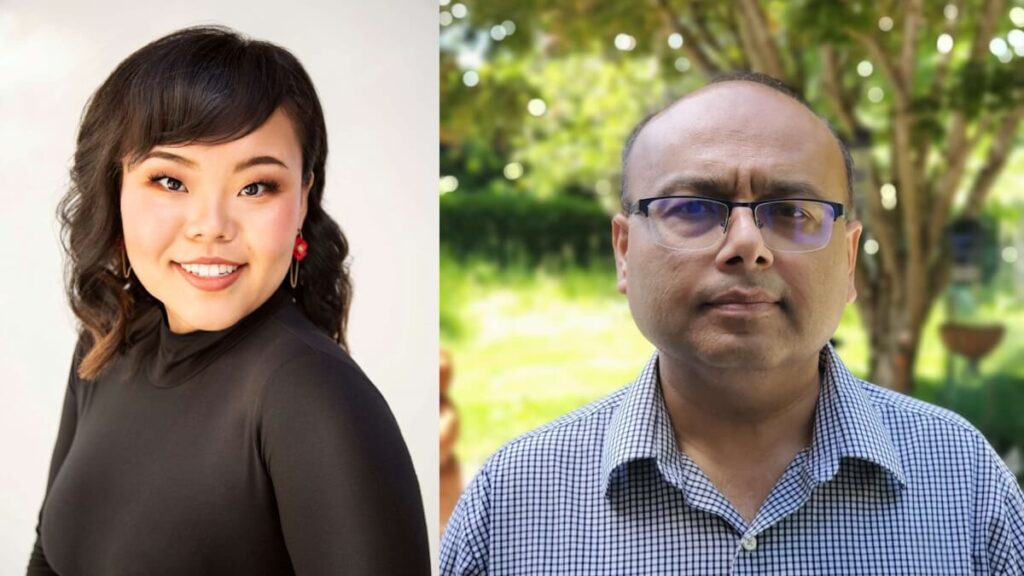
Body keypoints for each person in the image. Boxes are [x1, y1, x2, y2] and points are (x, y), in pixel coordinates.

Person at [440, 73, 1024, 574]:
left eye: (791, 212)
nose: (747, 246)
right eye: (693, 208)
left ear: (848, 261)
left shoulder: (964, 483)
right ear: (624, 251)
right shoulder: (516, 502)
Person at [28, 26, 429, 575]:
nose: (210, 228)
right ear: (114, 186)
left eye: (255, 186)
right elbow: (50, 558)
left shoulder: (311, 396)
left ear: (304, 196)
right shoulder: (106, 339)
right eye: (170, 181)